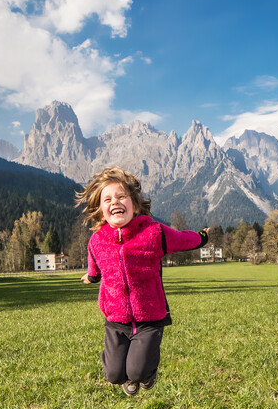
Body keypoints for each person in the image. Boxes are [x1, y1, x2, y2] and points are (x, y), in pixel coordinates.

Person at [79, 166, 209, 395]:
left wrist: (201, 238)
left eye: (121, 197)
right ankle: (120, 366)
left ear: (135, 205)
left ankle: (146, 372)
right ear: (101, 211)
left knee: (138, 372)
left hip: (149, 317)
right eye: (107, 199)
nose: (115, 202)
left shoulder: (153, 233)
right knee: (113, 375)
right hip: (116, 319)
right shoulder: (97, 240)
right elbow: (94, 261)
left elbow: (181, 239)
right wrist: (92, 276)